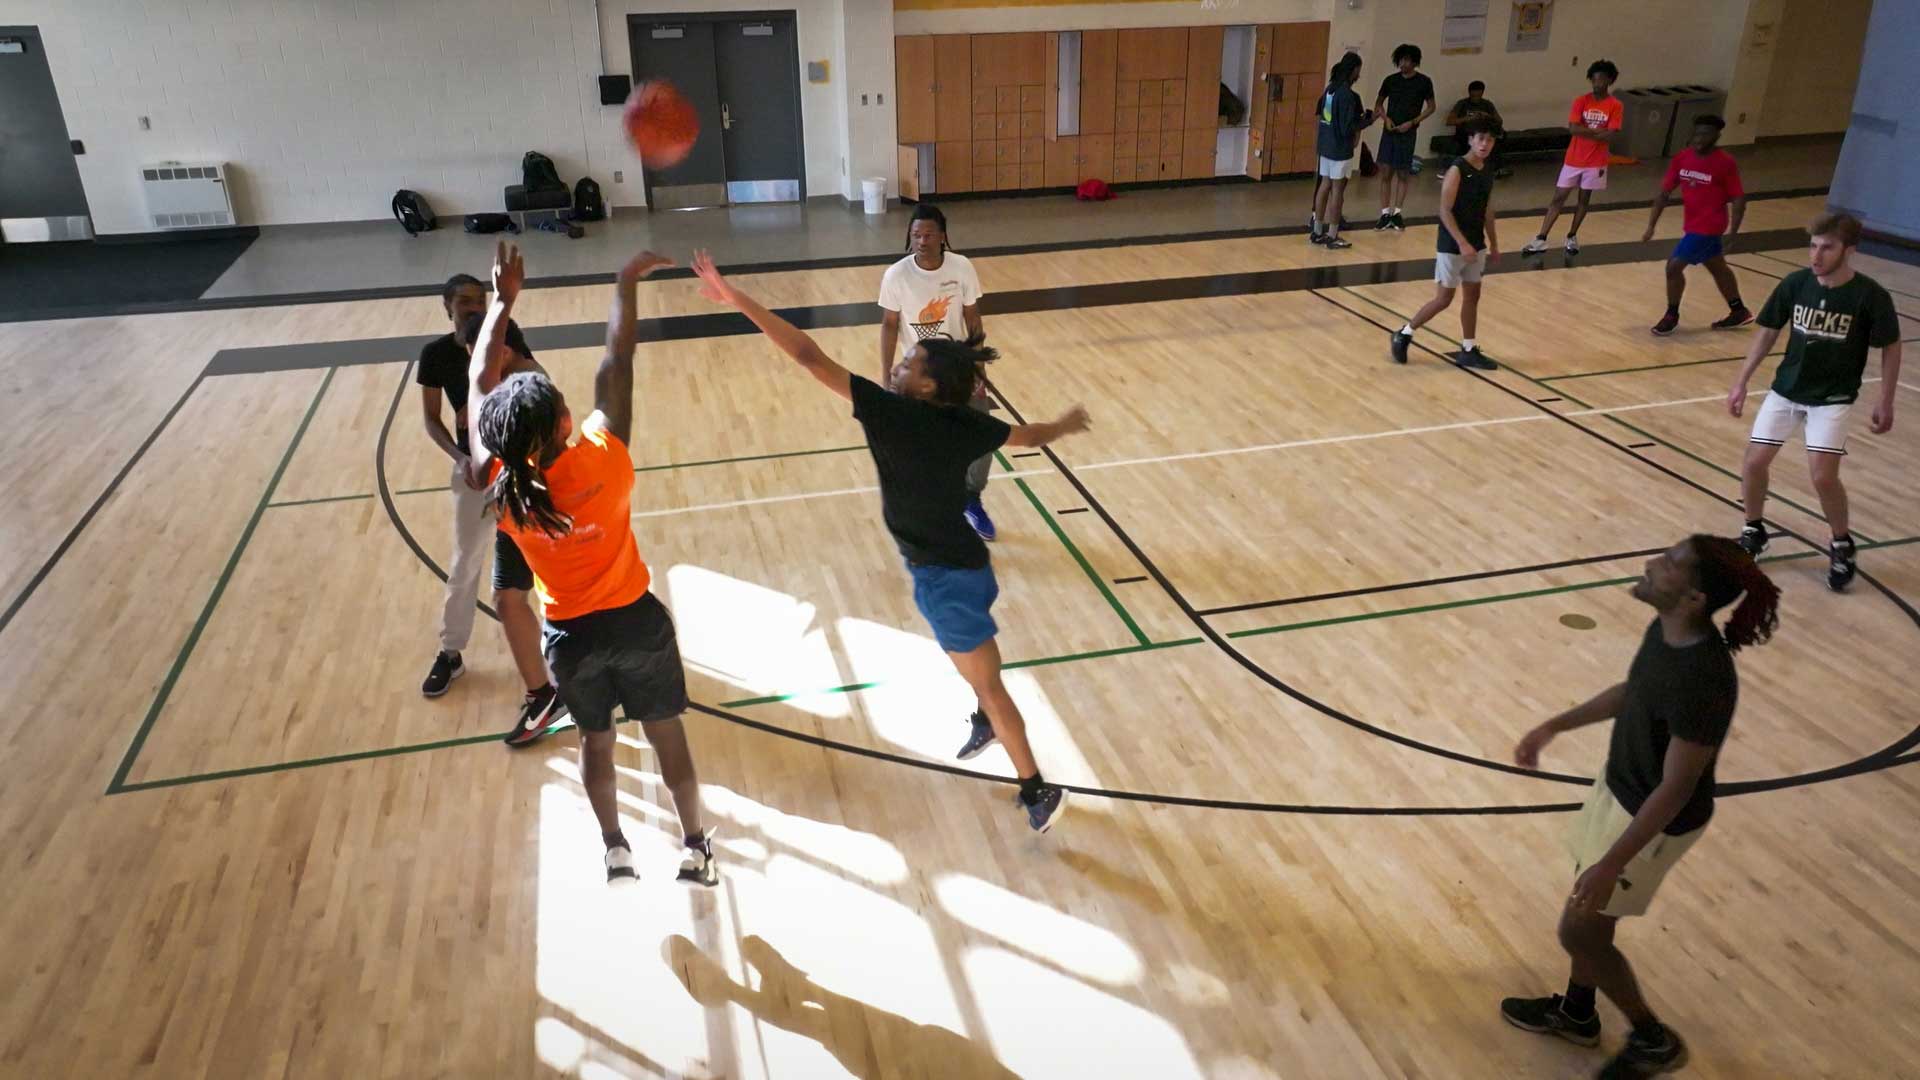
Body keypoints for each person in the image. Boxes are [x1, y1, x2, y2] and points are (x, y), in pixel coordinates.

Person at [691, 249, 1089, 833]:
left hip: (944, 579)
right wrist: (1064, 424)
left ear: (927, 387)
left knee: (993, 686)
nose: (898, 367)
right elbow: (1025, 436)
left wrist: (736, 298)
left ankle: (1036, 788)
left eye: (910, 364)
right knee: (985, 677)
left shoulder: (889, 414)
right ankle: (985, 717)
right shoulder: (967, 422)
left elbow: (805, 354)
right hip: (971, 569)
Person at [468, 242, 717, 885]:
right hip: (636, 624)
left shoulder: (498, 484)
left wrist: (501, 303)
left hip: (570, 640)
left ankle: (616, 850)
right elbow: (617, 360)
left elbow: (476, 385)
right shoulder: (605, 457)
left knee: (596, 745)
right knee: (669, 740)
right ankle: (695, 850)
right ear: (567, 420)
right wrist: (625, 280)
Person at [1503, 534, 1780, 1079]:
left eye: (1671, 563)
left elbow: (1676, 788)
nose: (1653, 563)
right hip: (1621, 791)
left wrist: (1614, 861)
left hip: (1652, 822)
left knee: (1577, 929)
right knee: (1590, 915)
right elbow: (1633, 692)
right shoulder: (1667, 631)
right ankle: (1579, 1013)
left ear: (1694, 597)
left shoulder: (1703, 680)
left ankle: (1653, 1039)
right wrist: (1554, 725)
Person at [415, 273, 568, 747]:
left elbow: (544, 396)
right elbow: (430, 419)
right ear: (447, 308)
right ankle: (451, 652)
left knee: (542, 572)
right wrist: (462, 455)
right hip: (474, 475)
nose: (470, 308)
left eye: (478, 301)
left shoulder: (508, 344)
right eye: (462, 302)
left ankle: (559, 665)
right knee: (465, 564)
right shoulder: (436, 356)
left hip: (518, 478)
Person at [1727, 212, 1903, 590]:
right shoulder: (1795, 284)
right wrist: (1741, 381)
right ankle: (1753, 529)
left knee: (1823, 477)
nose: (1816, 255)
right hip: (1786, 391)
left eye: (1827, 247)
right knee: (1755, 461)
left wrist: (1885, 398)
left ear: (1849, 250)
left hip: (1832, 399)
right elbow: (1768, 332)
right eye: (1813, 246)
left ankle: (1841, 542)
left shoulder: (1869, 296)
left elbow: (1891, 345)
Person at [878, 204, 997, 540]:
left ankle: (971, 498)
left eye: (929, 234)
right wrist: (885, 374)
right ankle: (924, 512)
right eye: (916, 235)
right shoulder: (896, 276)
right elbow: (888, 326)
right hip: (918, 375)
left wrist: (978, 365)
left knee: (983, 436)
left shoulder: (962, 268)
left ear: (943, 236)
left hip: (959, 368)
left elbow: (973, 317)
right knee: (921, 447)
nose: (922, 240)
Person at [1389, 117, 1500, 370]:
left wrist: (1493, 243)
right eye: (1480, 138)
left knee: (1473, 296)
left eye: (1490, 139)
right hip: (1452, 245)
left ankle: (1469, 348)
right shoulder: (1457, 169)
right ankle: (1404, 332)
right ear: (1471, 140)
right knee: (1443, 299)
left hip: (1476, 243)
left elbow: (1488, 210)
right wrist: (1462, 243)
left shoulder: (1487, 170)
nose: (1485, 144)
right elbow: (1445, 211)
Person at [1642, 115, 1752, 335]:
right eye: (1697, 133)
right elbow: (1664, 193)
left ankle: (1671, 315)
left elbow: (1739, 198)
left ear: (1716, 136)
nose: (1700, 138)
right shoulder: (1682, 158)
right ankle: (1739, 310)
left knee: (1673, 267)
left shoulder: (1725, 163)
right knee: (1717, 267)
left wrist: (1733, 232)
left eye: (1706, 134)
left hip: (1710, 226)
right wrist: (1651, 224)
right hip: (1692, 224)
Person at [1521, 61, 1623, 256]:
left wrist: (1588, 131)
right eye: (1593, 79)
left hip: (1596, 162)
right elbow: (1573, 128)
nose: (1596, 83)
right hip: (1574, 159)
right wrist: (1596, 132)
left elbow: (1610, 133)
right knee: (1558, 197)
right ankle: (1541, 237)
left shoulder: (1615, 105)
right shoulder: (1581, 101)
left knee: (1584, 199)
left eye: (1601, 79)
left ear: (1609, 80)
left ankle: (1572, 235)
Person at [1311, 52, 1371, 250]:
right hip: (1339, 148)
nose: (1359, 75)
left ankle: (1317, 231)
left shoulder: (1330, 90)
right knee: (1337, 191)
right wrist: (1368, 121)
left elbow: (1324, 118)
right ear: (1353, 69)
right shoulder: (1346, 94)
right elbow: (1347, 127)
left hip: (1326, 146)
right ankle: (1333, 234)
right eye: (1358, 71)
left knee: (1324, 186)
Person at [1372, 43, 1434, 232]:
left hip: (1408, 132)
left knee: (1403, 173)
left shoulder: (1424, 82)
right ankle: (1384, 213)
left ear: (1414, 62)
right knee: (1386, 173)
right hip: (1389, 131)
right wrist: (1386, 118)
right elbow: (1378, 104)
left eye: (1407, 60)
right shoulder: (1391, 80)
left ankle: (1397, 213)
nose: (1403, 63)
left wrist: (1413, 122)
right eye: (1400, 60)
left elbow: (1431, 107)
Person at [1442, 81, 1508, 178]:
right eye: (1474, 96)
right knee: (1470, 141)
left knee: (1496, 139)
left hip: (1484, 133)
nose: (1476, 99)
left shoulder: (1487, 104)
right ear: (1469, 93)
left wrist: (1487, 116)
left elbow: (1499, 121)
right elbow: (1449, 121)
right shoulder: (1462, 104)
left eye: (1478, 96)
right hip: (1466, 134)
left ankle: (1495, 168)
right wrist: (1467, 118)